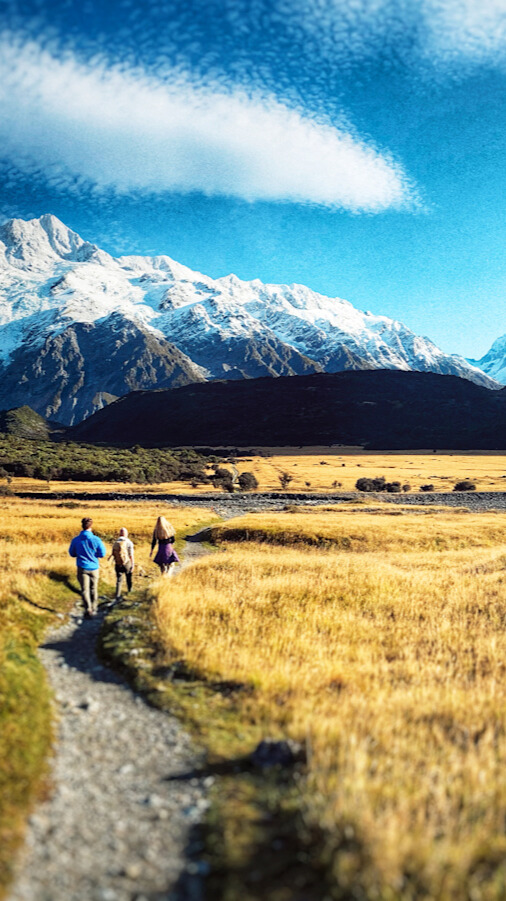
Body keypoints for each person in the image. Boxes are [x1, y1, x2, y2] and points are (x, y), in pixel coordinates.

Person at [69, 517, 106, 617]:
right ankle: (94, 608)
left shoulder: (76, 540)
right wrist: (95, 555)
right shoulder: (96, 539)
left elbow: (72, 553)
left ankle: (88, 609)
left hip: (82, 567)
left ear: (82, 526)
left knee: (85, 590)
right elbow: (102, 553)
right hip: (94, 567)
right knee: (94, 589)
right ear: (91, 526)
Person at [109, 527, 135, 601]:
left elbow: (113, 553)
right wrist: (132, 564)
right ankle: (129, 591)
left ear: (120, 534)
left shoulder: (116, 542)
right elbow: (131, 555)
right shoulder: (129, 542)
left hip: (118, 563)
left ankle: (117, 594)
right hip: (126, 563)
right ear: (126, 534)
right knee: (128, 577)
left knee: (119, 579)